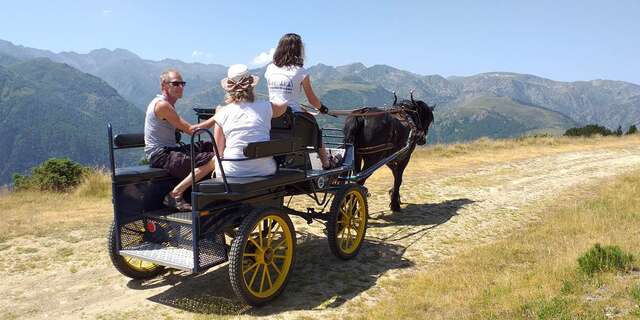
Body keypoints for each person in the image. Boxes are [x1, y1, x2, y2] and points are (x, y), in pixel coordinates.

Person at [192, 64, 288, 177]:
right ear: (252, 86)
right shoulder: (267, 107)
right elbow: (283, 105)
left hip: (231, 172)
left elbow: (218, 151)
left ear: (229, 90)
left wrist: (218, 113)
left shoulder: (222, 112)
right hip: (264, 170)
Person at [264, 33, 340, 169]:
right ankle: (326, 162)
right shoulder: (300, 72)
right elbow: (312, 100)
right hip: (291, 117)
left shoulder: (270, 68)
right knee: (314, 125)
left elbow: (279, 96)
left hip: (271, 114)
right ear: (298, 50)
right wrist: (323, 109)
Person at [144, 69, 215, 211]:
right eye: (176, 84)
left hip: (168, 151)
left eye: (182, 83)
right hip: (161, 155)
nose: (181, 87)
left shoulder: (165, 104)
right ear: (164, 85)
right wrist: (217, 117)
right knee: (215, 157)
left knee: (210, 145)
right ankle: (176, 193)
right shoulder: (162, 105)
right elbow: (191, 131)